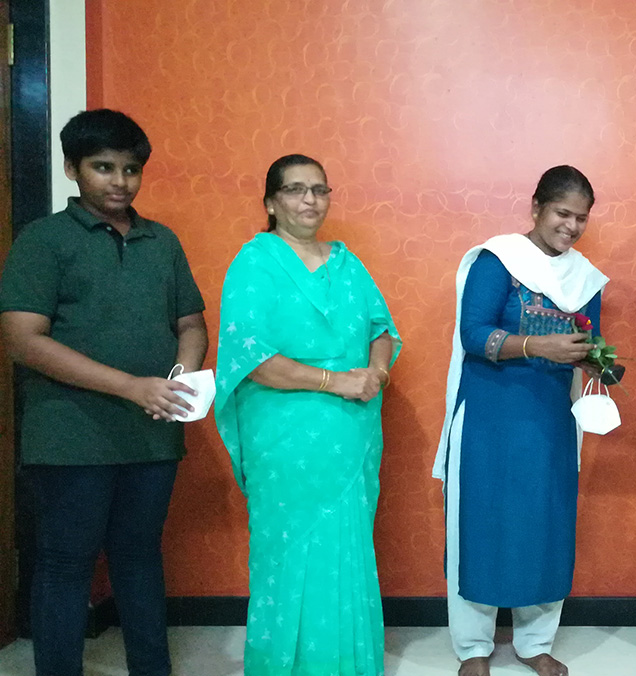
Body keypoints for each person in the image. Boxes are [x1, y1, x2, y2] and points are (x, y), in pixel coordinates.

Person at [0, 109, 208, 676]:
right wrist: (130, 387)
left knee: (140, 559)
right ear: (72, 169)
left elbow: (191, 324)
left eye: (131, 169)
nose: (119, 181)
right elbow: (22, 338)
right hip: (70, 437)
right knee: (66, 564)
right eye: (103, 167)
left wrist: (177, 383)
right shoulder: (43, 240)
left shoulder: (161, 241)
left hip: (152, 435)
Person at [214, 154, 401, 676]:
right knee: (288, 552)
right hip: (285, 433)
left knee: (347, 547)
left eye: (319, 190)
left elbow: (381, 330)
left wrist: (375, 375)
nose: (310, 201)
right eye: (296, 190)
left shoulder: (347, 262)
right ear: (271, 202)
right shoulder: (255, 262)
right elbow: (249, 357)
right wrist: (336, 380)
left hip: (350, 431)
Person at [435, 165, 610, 676]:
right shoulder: (498, 261)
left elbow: (585, 345)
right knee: (481, 523)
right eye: (562, 213)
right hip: (490, 416)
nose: (572, 226)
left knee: (545, 524)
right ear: (535, 207)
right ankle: (473, 647)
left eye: (581, 218)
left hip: (552, 420)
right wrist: (538, 345)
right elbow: (473, 335)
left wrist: (600, 360)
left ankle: (535, 643)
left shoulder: (584, 278)